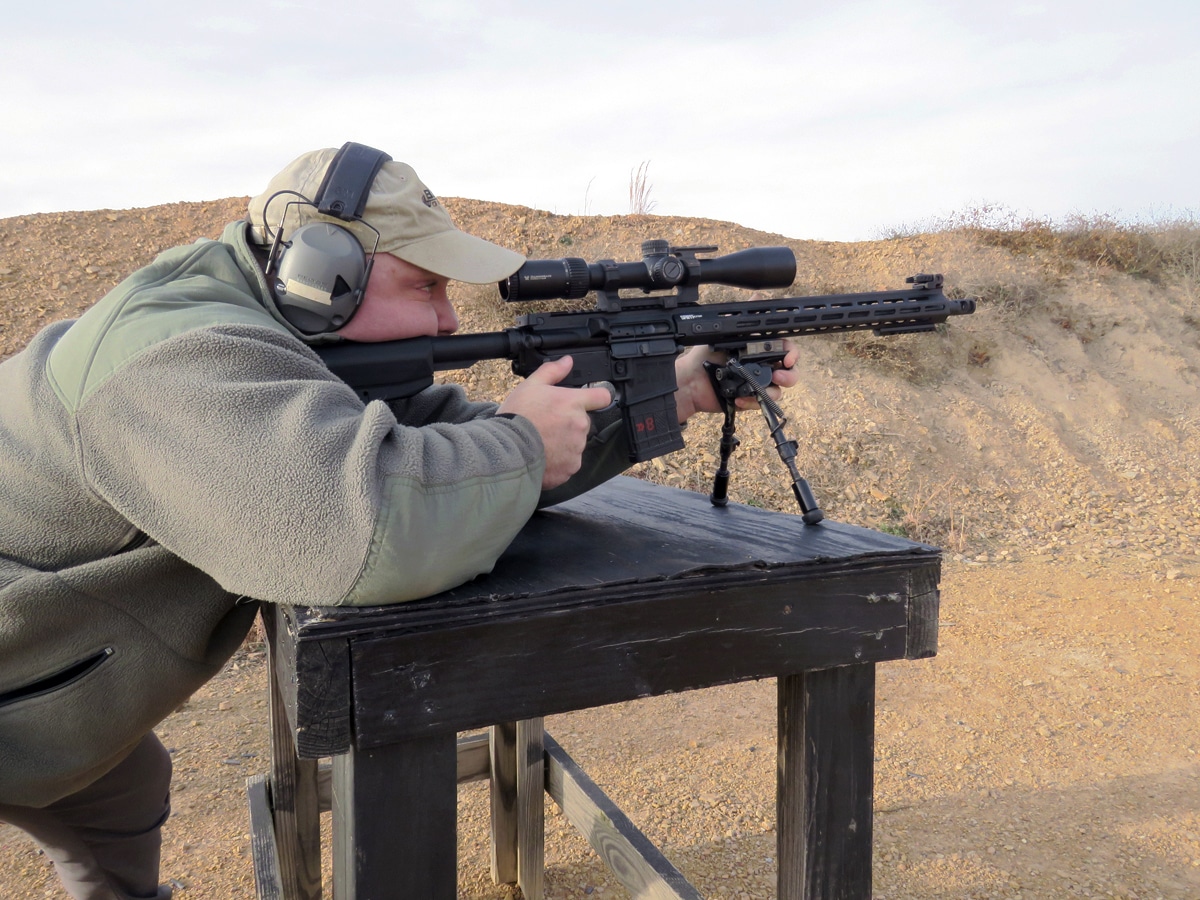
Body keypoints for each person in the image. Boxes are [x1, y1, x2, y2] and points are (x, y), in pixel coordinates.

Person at [0, 143, 800, 900]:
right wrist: (519, 445)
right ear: (325, 275)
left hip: (64, 696)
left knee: (122, 791)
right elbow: (362, 528)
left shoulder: (287, 331)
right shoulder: (176, 358)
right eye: (426, 287)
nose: (450, 319)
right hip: (16, 680)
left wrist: (678, 389)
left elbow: (447, 458)